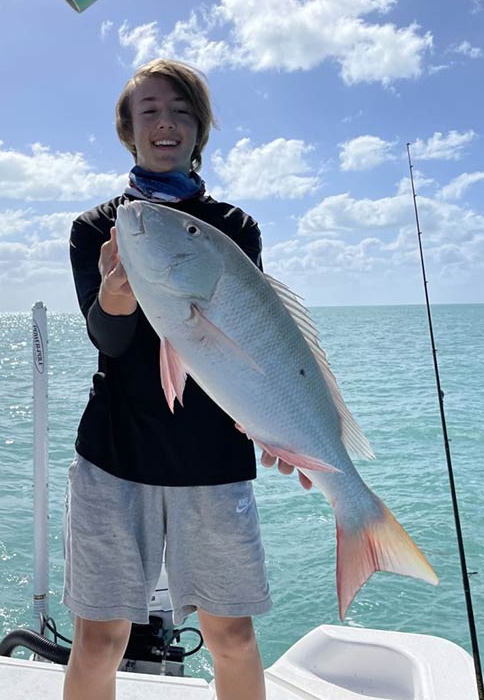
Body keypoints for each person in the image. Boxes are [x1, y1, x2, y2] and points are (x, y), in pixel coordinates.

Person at [64, 59, 306, 700]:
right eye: (149, 111)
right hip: (115, 453)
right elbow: (109, 342)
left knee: (232, 636)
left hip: (212, 457)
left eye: (181, 111)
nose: (165, 123)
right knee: (99, 639)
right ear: (128, 130)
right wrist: (117, 294)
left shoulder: (235, 229)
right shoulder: (97, 228)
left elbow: (249, 345)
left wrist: (275, 426)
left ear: (200, 129)